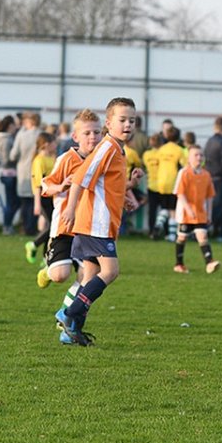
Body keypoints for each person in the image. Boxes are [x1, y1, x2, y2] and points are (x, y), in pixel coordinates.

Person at [55, 97, 142, 346]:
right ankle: (69, 314)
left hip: (101, 223)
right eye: (122, 120)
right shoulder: (107, 147)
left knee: (91, 274)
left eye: (132, 120)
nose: (128, 124)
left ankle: (71, 331)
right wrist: (70, 209)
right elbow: (81, 178)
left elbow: (106, 186)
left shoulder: (119, 150)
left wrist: (125, 196)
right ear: (109, 122)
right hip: (96, 223)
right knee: (111, 271)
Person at [37, 109, 103, 345]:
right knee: (60, 275)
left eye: (97, 132)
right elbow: (46, 185)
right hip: (65, 227)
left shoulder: (102, 159)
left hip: (88, 228)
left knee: (87, 276)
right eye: (87, 133)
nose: (93, 137)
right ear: (75, 136)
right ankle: (46, 271)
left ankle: (67, 316)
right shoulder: (66, 159)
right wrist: (62, 187)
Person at [172, 144, 221, 275]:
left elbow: (210, 196)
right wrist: (188, 209)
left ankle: (209, 263)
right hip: (185, 213)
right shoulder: (184, 173)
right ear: (189, 158)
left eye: (201, 155)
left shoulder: (206, 175)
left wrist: (209, 214)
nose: (199, 158)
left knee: (202, 236)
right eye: (196, 155)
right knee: (182, 237)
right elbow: (179, 193)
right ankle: (179, 264)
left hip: (200, 212)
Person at [26, 132, 57, 264]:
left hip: (53, 196)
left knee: (53, 227)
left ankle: (45, 258)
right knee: (53, 226)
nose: (56, 145)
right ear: (46, 144)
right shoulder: (39, 160)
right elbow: (38, 184)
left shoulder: (52, 158)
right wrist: (37, 203)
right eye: (54, 142)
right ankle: (33, 244)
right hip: (43, 197)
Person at [204, 116, 222, 242]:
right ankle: (203, 230)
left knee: (219, 207)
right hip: (221, 179)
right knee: (218, 207)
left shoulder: (209, 141)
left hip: (210, 177)